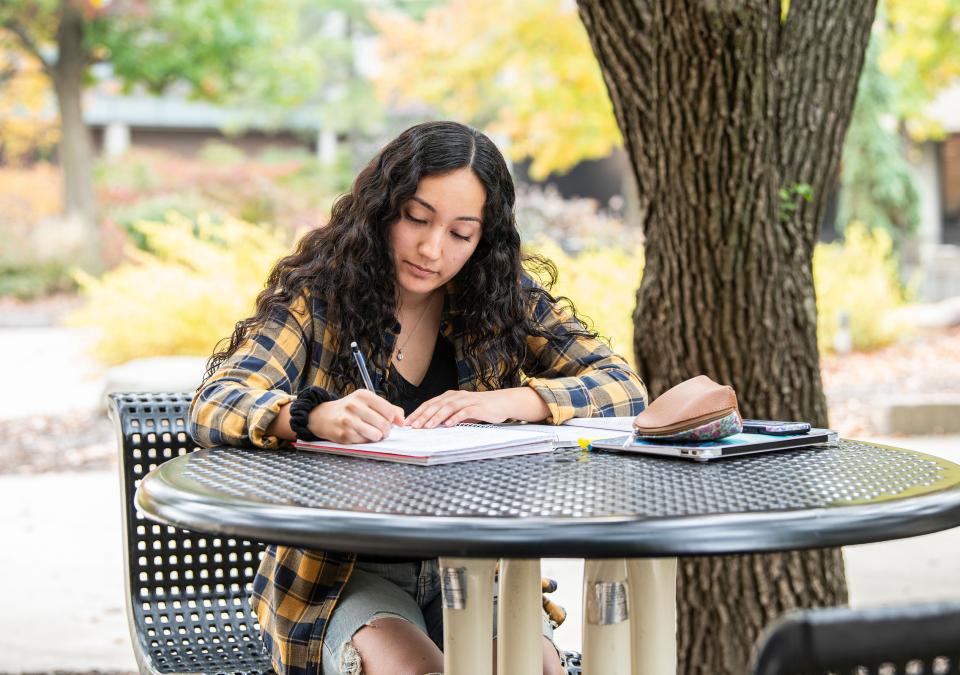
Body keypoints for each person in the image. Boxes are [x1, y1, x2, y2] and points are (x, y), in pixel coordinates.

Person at [190, 121, 647, 675]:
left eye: (461, 233)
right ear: (384, 209)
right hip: (342, 575)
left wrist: (509, 401)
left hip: (477, 564)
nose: (432, 249)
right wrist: (312, 415)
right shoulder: (320, 299)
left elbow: (623, 389)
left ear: (485, 239)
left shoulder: (499, 298)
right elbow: (216, 401)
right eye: (417, 218)